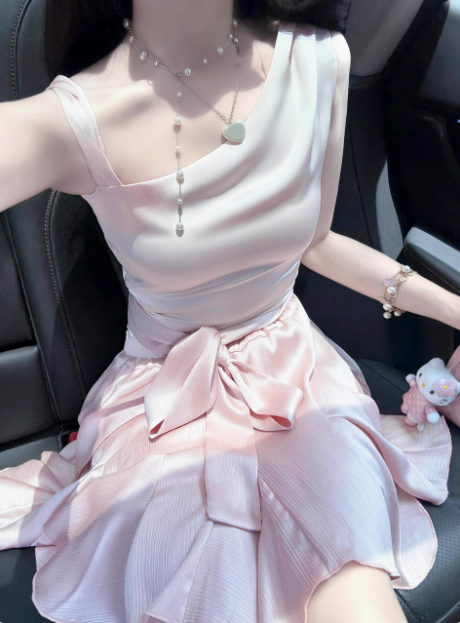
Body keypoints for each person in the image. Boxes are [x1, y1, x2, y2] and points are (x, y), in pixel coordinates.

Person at [0, 0, 458, 621]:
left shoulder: (317, 58)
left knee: (354, 585)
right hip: (165, 403)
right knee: (198, 585)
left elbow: (318, 242)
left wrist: (455, 309)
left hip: (296, 377)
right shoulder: (74, 119)